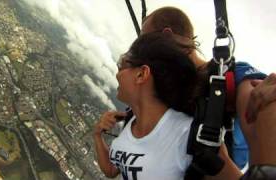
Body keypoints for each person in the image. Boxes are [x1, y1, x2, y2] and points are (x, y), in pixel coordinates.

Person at [140, 6, 267, 170]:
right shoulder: (167, 88)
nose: (140, 51)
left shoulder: (230, 75)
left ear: (166, 37)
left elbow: (260, 102)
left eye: (143, 41)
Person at [94, 32, 205, 180]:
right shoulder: (130, 126)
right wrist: (97, 135)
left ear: (142, 74)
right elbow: (111, 169)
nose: (117, 74)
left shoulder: (189, 134)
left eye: (122, 64)